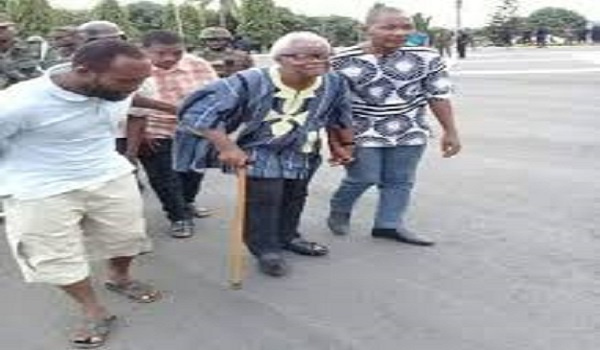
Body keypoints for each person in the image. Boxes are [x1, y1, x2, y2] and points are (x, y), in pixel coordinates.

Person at [0, 40, 160, 349]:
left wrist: (174, 108)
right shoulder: (17, 103)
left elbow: (132, 98)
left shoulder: (119, 87)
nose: (135, 87)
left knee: (128, 237)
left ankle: (119, 277)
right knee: (55, 257)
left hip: (108, 175)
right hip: (37, 188)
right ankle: (92, 309)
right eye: (127, 81)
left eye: (140, 80)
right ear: (83, 71)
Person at [175, 32, 354, 277]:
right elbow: (199, 112)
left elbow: (338, 115)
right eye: (307, 56)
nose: (317, 61)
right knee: (265, 197)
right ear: (281, 58)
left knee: (295, 195)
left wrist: (341, 145)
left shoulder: (334, 82)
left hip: (303, 149)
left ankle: (288, 236)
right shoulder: (250, 81)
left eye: (323, 56)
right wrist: (227, 147)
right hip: (260, 148)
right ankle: (265, 249)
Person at [327, 6, 461, 246]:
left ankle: (388, 225)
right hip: (361, 131)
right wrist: (336, 142)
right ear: (366, 29)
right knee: (363, 177)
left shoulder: (427, 56)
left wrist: (450, 131)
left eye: (406, 27)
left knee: (400, 180)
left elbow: (438, 95)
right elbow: (332, 106)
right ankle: (340, 207)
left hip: (410, 129)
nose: (399, 32)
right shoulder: (340, 61)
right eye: (389, 27)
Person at [134, 30, 219, 238]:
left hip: (194, 129)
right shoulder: (133, 68)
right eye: (161, 53)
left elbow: (216, 94)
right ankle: (178, 217)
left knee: (193, 172)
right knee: (164, 177)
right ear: (144, 51)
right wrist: (139, 133)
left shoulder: (198, 64)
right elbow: (128, 105)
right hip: (153, 130)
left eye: (176, 53)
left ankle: (187, 202)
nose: (169, 59)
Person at [0, 14, 42, 89]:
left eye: (3, 28)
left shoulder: (28, 49)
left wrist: (16, 75)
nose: (1, 31)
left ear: (12, 30)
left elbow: (37, 76)